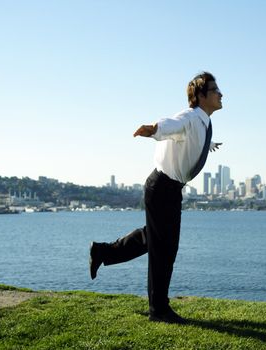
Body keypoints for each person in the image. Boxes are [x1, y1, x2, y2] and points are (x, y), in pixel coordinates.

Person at [89, 72, 223, 324]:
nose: (220, 93)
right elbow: (171, 124)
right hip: (162, 187)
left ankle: (102, 252)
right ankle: (159, 309)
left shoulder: (203, 122)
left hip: (168, 189)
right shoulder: (191, 116)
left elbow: (192, 139)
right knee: (164, 249)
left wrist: (209, 144)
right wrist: (153, 129)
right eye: (215, 90)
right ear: (201, 96)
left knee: (152, 238)